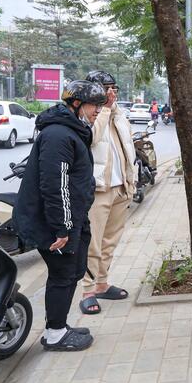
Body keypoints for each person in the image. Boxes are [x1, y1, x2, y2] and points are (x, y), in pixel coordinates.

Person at [13, 80, 106, 351]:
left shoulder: (72, 130)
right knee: (62, 275)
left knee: (72, 271)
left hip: (71, 217)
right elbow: (55, 186)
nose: (98, 111)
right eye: (94, 105)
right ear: (76, 104)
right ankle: (54, 334)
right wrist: (62, 228)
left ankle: (59, 326)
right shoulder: (58, 135)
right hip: (55, 223)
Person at [79, 71, 136, 314]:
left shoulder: (118, 114)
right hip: (98, 189)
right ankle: (87, 291)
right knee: (93, 243)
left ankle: (102, 284)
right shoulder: (87, 115)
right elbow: (91, 139)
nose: (111, 93)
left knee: (110, 242)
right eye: (106, 89)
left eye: (114, 88)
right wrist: (104, 109)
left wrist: (130, 182)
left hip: (120, 186)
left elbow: (128, 146)